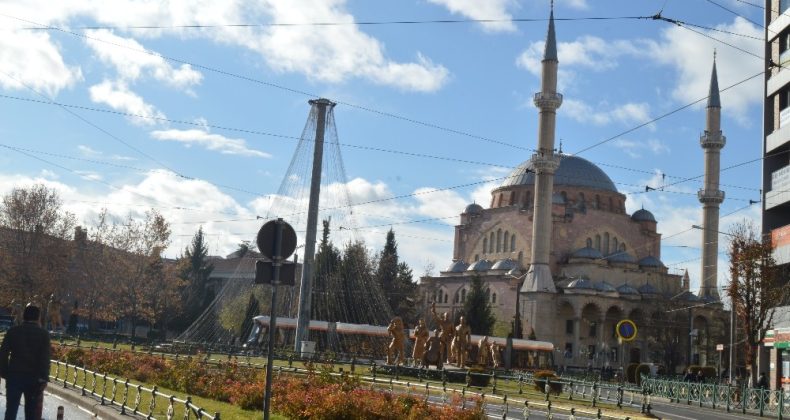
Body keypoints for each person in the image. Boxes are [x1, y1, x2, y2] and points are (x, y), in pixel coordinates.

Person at [0, 304, 51, 420]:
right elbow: (45, 358)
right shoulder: (43, 334)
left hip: (14, 376)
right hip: (34, 378)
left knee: (11, 410)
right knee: (31, 412)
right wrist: (44, 377)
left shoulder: (13, 332)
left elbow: (2, 354)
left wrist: (4, 372)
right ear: (38, 318)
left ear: (23, 316)